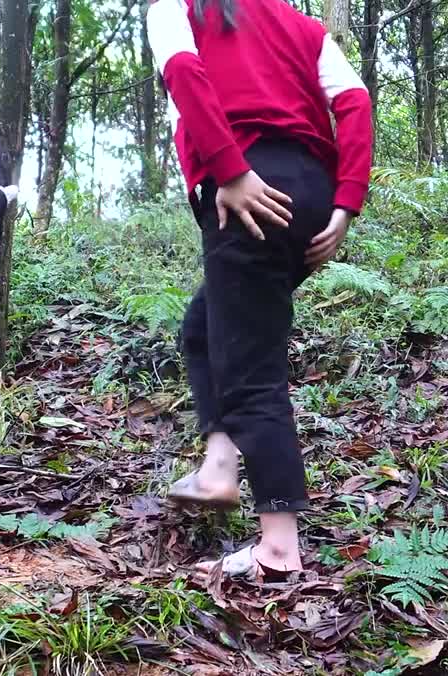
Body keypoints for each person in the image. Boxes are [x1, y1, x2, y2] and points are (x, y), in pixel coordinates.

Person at [145, 0, 374, 577]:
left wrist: (231, 170)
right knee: (203, 332)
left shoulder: (176, 8)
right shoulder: (301, 25)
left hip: (249, 188)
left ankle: (278, 548)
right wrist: (345, 202)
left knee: (252, 371)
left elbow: (183, 72)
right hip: (310, 197)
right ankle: (219, 466)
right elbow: (354, 101)